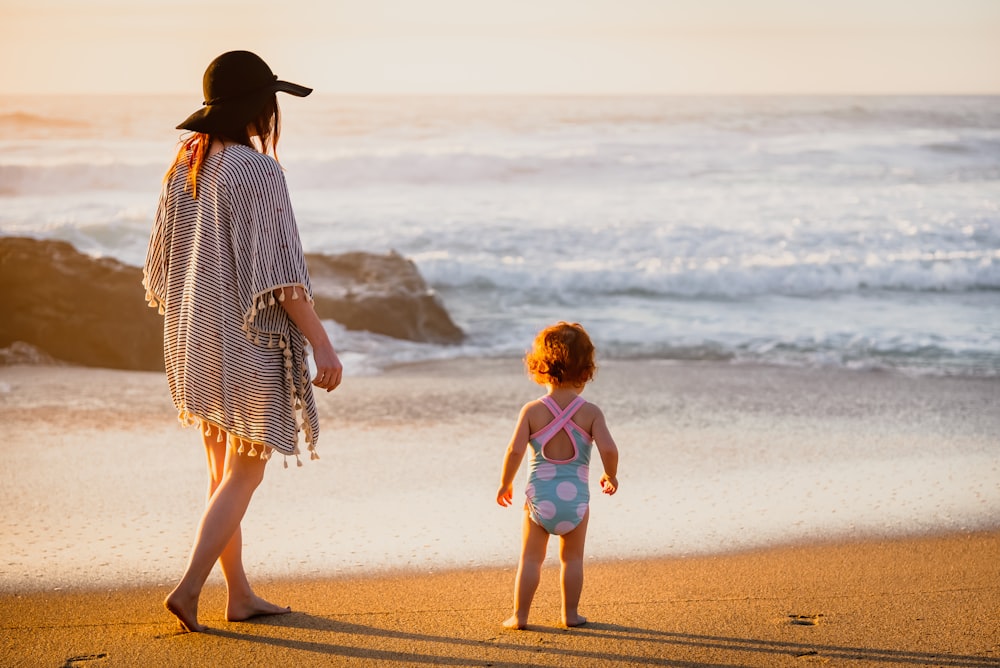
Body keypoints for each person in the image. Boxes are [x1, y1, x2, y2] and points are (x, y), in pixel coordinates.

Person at [142, 50, 342, 633]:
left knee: (221, 474)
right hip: (247, 343)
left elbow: (165, 261)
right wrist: (323, 345)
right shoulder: (256, 171)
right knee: (245, 473)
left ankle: (241, 595)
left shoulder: (189, 160)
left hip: (193, 336)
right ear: (260, 105)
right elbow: (280, 276)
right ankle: (187, 588)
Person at [496, 321, 620, 629]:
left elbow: (514, 451)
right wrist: (611, 475)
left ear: (540, 366)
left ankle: (520, 616)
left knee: (530, 560)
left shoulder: (532, 411)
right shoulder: (590, 412)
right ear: (586, 369)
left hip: (539, 499)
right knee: (572, 560)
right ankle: (570, 615)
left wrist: (505, 483)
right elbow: (610, 449)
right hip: (575, 500)